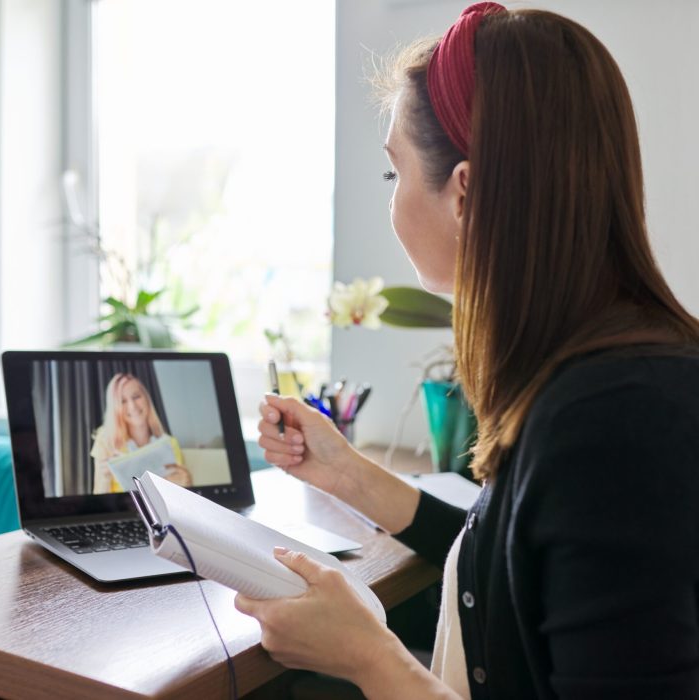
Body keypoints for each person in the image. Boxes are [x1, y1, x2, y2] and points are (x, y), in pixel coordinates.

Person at [235, 3, 699, 698]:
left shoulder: (608, 424)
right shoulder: (603, 376)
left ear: (465, 193)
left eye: (395, 175)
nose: (392, 202)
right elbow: (519, 560)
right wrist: (347, 475)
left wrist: (370, 657)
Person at [91, 372, 192, 494]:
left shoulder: (170, 442)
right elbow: (99, 498)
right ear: (115, 407)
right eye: (123, 401)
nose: (132, 406)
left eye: (136, 397)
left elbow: (182, 491)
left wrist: (184, 480)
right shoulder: (105, 440)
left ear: (146, 398)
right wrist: (105, 478)